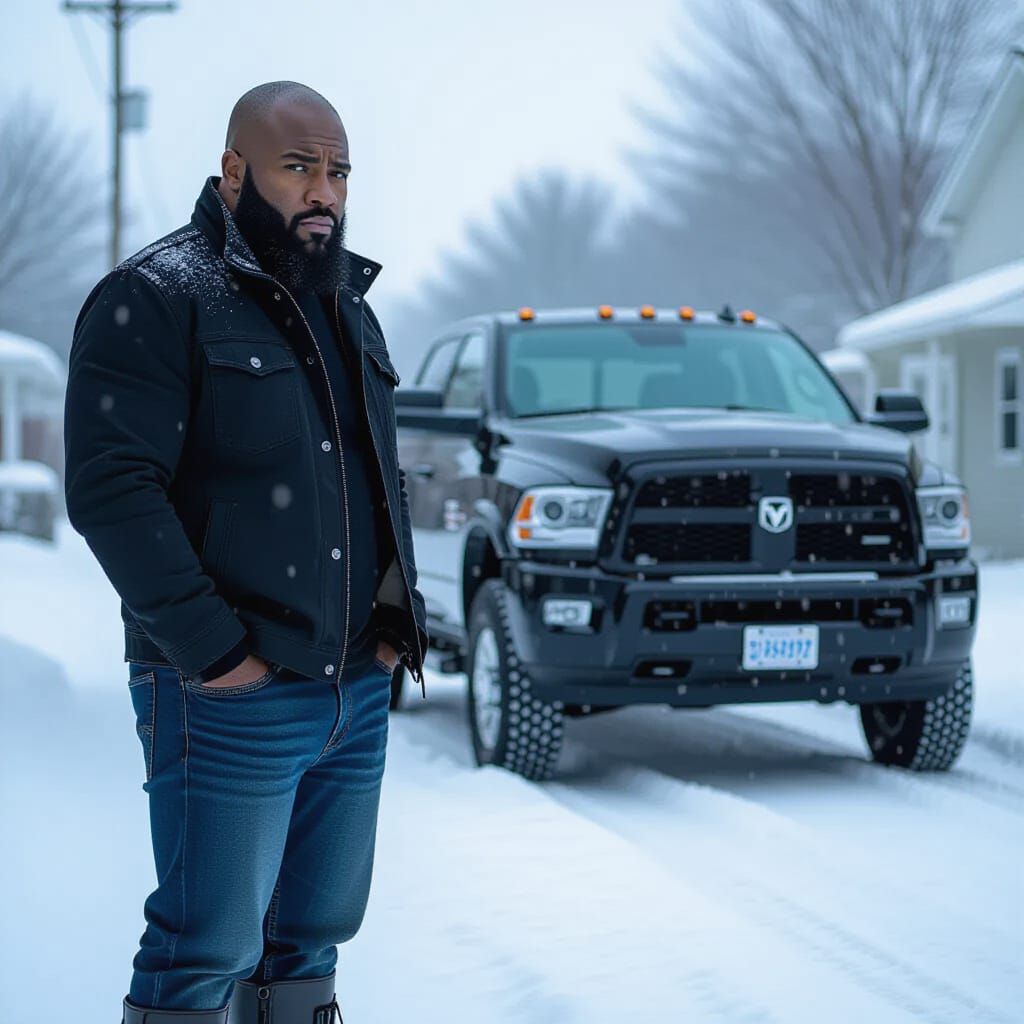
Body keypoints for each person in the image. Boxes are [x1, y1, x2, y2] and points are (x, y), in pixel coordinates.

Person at [63, 80, 429, 1024]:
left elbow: (374, 476)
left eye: (338, 171)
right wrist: (217, 655)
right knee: (205, 947)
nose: (324, 191)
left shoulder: (348, 306)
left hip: (352, 688)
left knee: (314, 934)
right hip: (229, 695)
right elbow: (111, 491)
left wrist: (393, 624)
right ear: (234, 171)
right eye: (298, 166)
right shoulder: (155, 296)